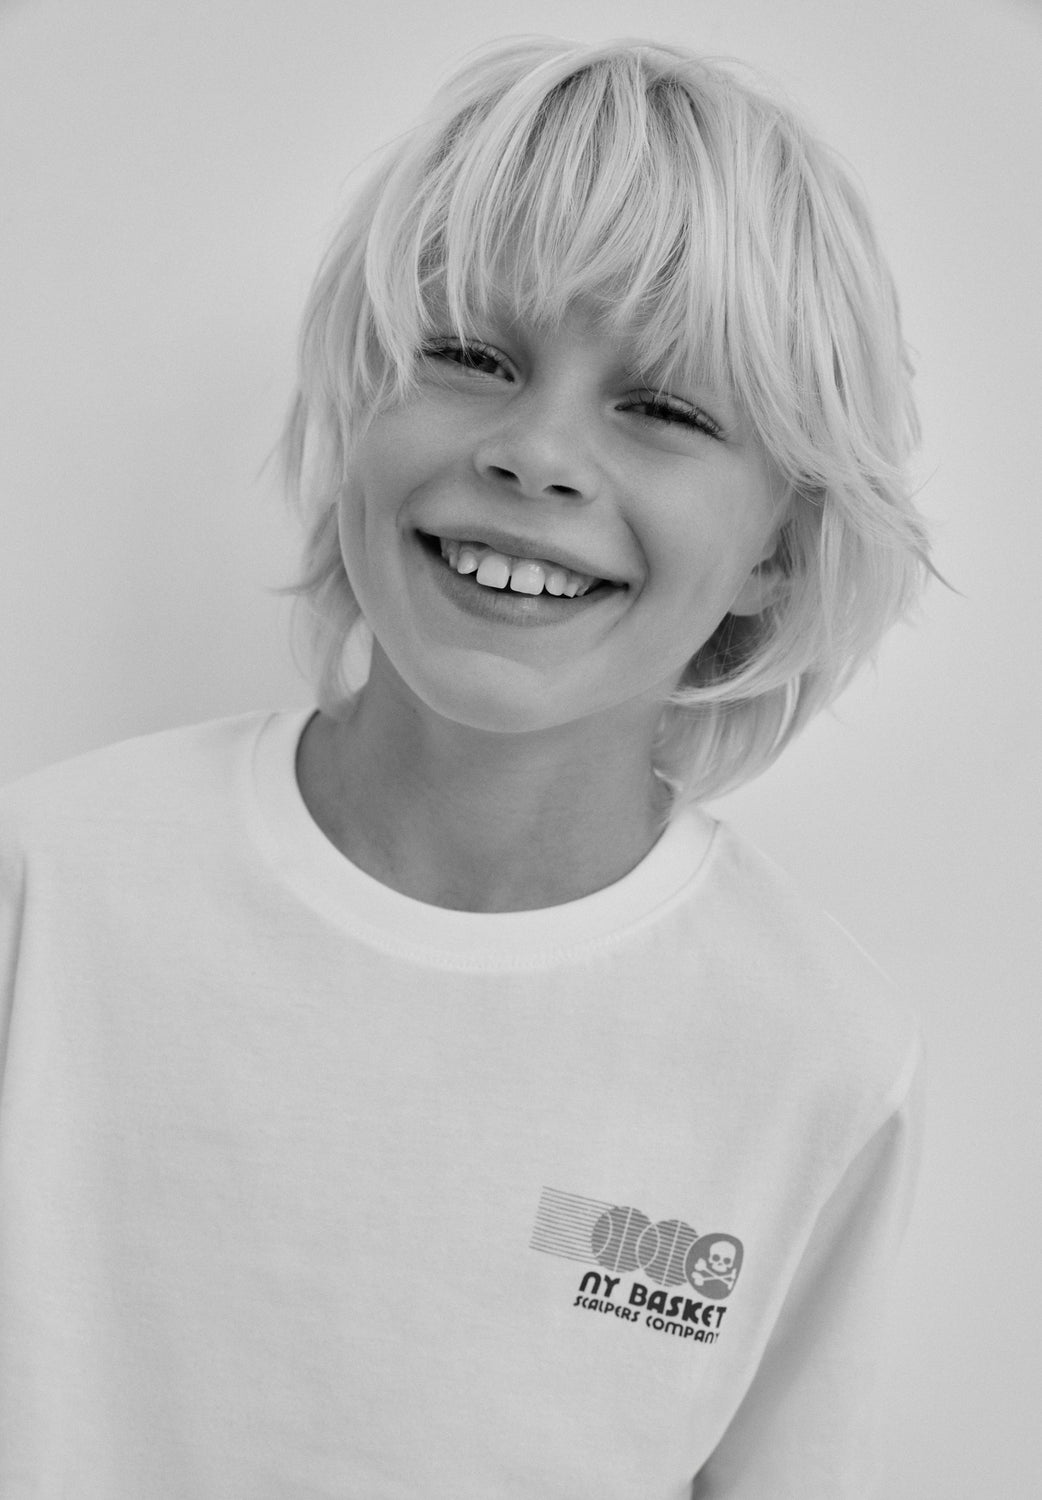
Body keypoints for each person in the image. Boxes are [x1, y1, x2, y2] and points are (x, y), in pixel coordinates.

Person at [0, 35, 932, 1499]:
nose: (536, 453)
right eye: (470, 358)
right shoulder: (45, 889)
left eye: (667, 409)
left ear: (780, 549)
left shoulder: (818, 1058)